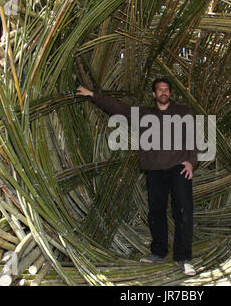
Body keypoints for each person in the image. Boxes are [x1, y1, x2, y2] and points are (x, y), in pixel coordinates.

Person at [76, 78, 198, 276]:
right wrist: (92, 95)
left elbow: (193, 138)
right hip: (154, 170)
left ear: (170, 93)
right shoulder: (145, 114)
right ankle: (158, 253)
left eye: (166, 90)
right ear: (154, 94)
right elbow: (118, 107)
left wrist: (191, 162)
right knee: (156, 213)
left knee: (183, 212)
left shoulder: (183, 111)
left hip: (179, 168)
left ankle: (183, 258)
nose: (164, 93)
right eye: (160, 90)